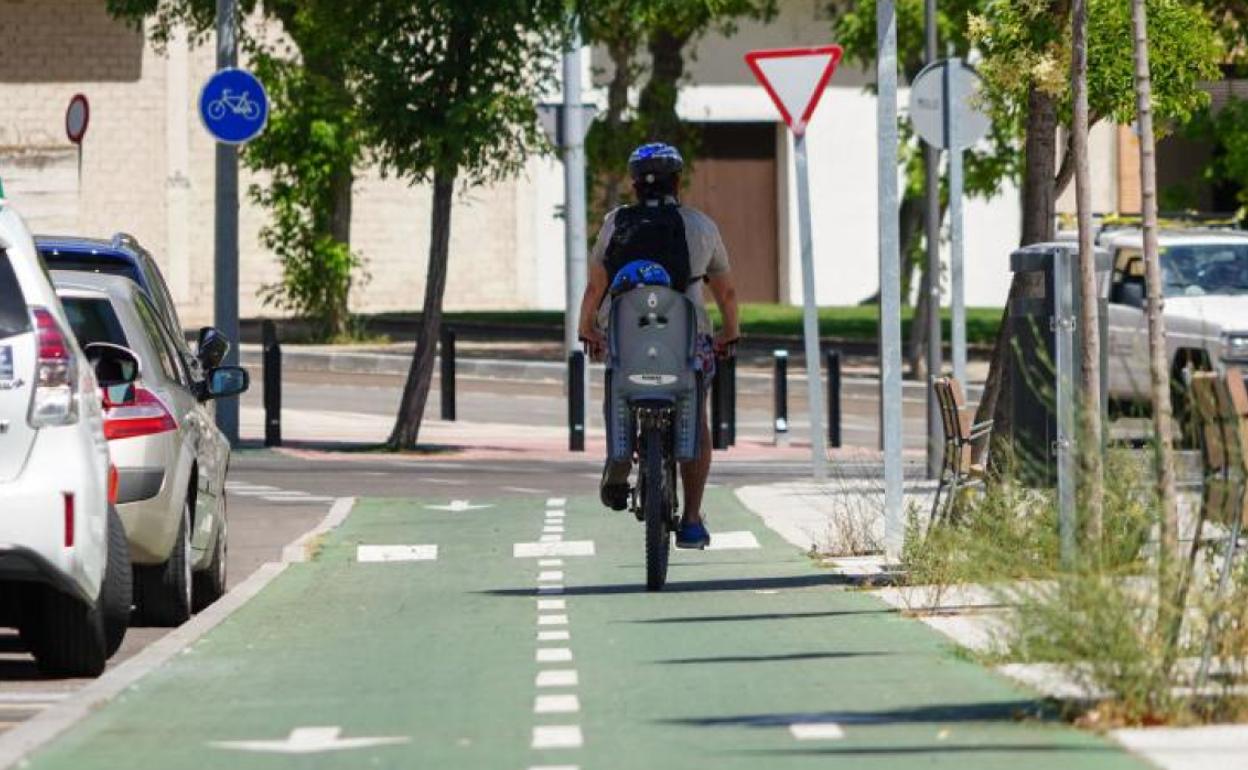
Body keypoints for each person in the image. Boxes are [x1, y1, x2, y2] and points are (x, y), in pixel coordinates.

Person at [577, 142, 740, 550]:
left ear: (634, 185)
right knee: (696, 420)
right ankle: (691, 519)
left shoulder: (616, 224)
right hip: (688, 345)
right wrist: (728, 334)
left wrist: (587, 329)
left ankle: (618, 464)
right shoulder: (701, 227)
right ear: (677, 181)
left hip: (625, 341)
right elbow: (727, 292)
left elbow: (596, 286)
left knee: (620, 387)